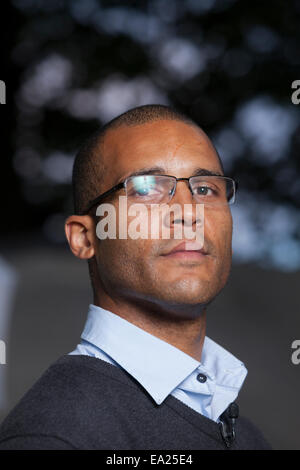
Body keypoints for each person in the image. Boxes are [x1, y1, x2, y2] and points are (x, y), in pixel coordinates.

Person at [0, 104, 271, 450]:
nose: (189, 212)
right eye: (146, 188)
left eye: (205, 189)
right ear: (85, 238)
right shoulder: (55, 435)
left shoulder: (245, 435)